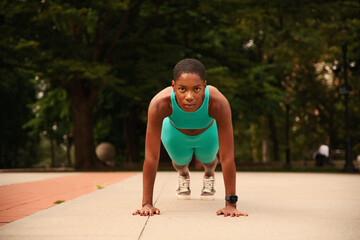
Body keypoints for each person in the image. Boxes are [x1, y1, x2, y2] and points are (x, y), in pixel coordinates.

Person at [132, 58, 248, 217]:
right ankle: (184, 174)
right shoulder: (160, 104)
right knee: (180, 162)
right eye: (182, 89)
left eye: (196, 89)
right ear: (173, 87)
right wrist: (147, 204)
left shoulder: (218, 103)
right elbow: (151, 157)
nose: (189, 96)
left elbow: (227, 156)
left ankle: (209, 173)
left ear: (205, 86)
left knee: (208, 159)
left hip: (208, 132)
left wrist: (231, 204)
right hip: (175, 133)